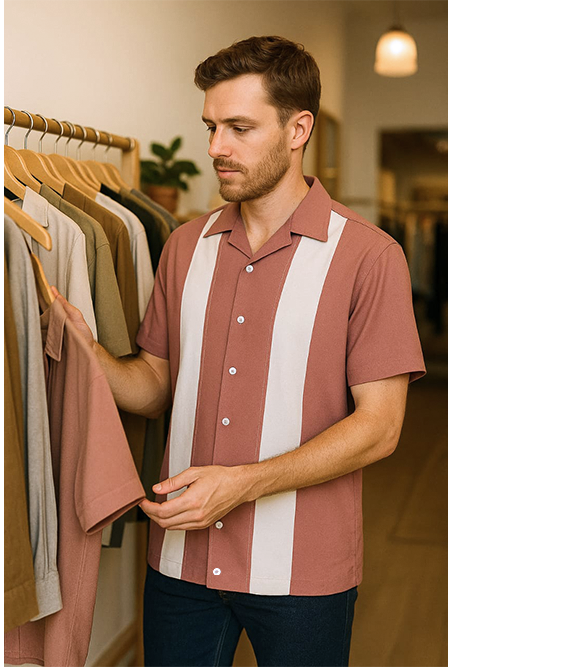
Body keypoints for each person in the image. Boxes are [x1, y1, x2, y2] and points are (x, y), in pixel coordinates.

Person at [53, 35, 426, 667]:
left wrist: (243, 486)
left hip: (303, 574)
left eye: (239, 128)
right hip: (179, 563)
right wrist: (89, 351)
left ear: (297, 129)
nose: (215, 148)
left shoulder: (370, 256)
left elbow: (380, 428)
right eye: (211, 126)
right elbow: (155, 384)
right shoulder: (183, 246)